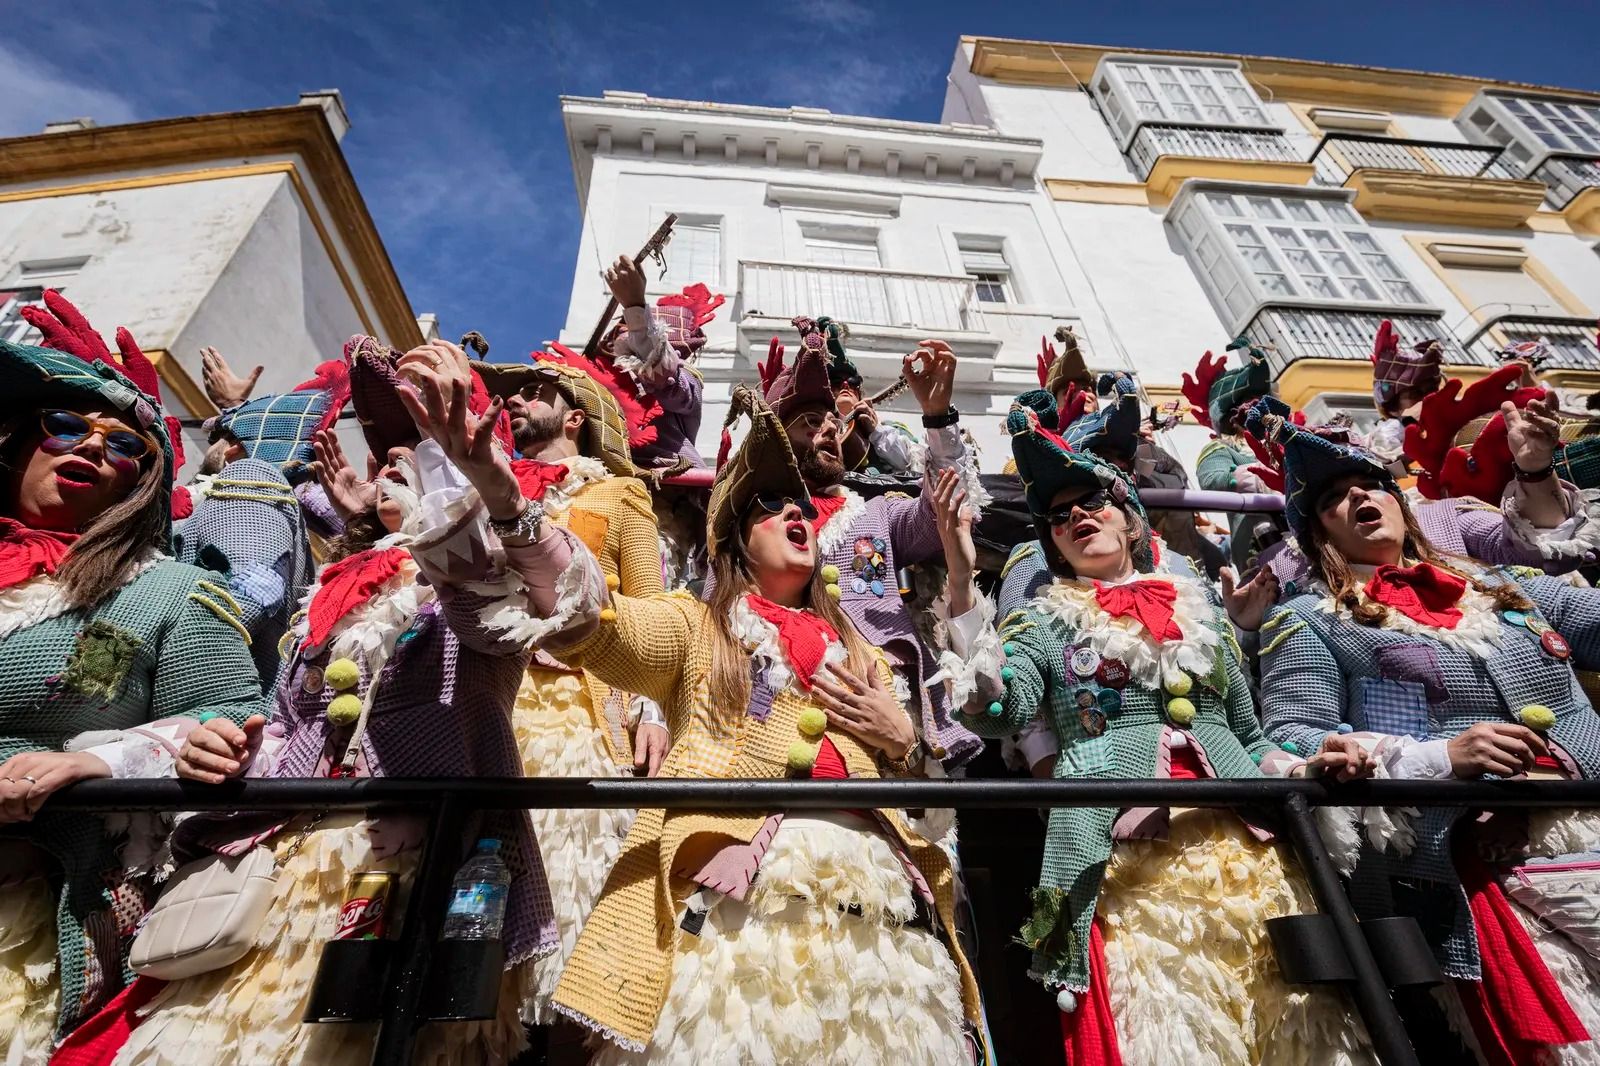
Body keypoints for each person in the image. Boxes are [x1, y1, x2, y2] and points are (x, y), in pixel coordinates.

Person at [408, 352, 984, 1062]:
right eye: (770, 507)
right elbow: (591, 621)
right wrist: (503, 496)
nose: (796, 512)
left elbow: (928, 803)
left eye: (802, 507)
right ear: (736, 542)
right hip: (737, 909)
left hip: (877, 906)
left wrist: (904, 743)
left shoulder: (862, 651)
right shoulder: (694, 626)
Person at [108, 335, 558, 1066]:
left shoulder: (485, 573)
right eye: (387, 453)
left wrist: (458, 469)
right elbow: (290, 723)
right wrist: (229, 752)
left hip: (424, 863)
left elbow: (479, 576)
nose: (393, 460)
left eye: (419, 447)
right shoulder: (335, 586)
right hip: (284, 861)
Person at [931, 402, 1377, 1065]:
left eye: (1092, 503)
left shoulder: (1203, 611)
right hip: (1122, 861)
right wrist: (962, 580)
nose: (1076, 517)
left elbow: (1251, 738)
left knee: (1294, 1031)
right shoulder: (1041, 620)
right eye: (1058, 517)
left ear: (1132, 519)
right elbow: (998, 711)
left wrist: (1304, 768)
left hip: (1250, 852)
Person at [1252, 407, 1600, 1063]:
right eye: (1332, 498)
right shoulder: (1307, 619)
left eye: (1370, 485)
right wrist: (1442, 757)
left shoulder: (1500, 583)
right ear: (1318, 533)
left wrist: (1536, 471)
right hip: (1476, 863)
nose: (1359, 498)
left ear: (1401, 504)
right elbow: (1295, 736)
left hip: (1590, 814)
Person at [0, 292, 265, 1061]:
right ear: (16, 441)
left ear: (137, 485)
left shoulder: (169, 593)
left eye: (123, 445)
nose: (91, 447)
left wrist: (98, 762)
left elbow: (226, 714)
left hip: (36, 909)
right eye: (65, 424)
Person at [472, 344, 669, 1029]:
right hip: (488, 707)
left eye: (535, 391)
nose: (515, 400)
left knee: (571, 896)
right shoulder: (481, 489)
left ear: (576, 418)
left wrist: (654, 710)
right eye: (514, 392)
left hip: (584, 714)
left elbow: (652, 607)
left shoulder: (620, 495)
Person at [755, 326, 982, 773]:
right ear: (777, 441)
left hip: (888, 709)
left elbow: (944, 511)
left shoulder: (877, 513)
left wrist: (937, 416)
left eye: (831, 421)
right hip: (778, 708)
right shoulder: (755, 524)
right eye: (809, 422)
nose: (828, 429)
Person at [596, 254, 714, 472]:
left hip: (669, 486)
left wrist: (635, 306)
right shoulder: (598, 379)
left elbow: (660, 372)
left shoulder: (686, 381)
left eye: (631, 331)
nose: (626, 334)